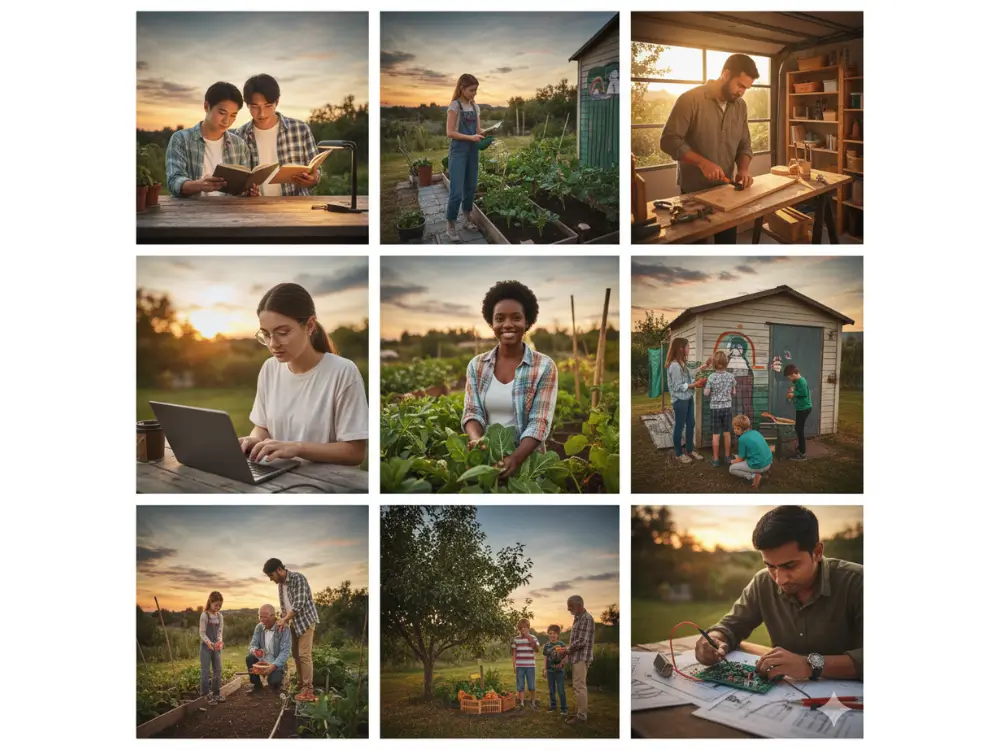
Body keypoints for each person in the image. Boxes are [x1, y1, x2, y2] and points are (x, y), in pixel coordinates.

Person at [694, 506, 863, 682]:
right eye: (770, 566)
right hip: (782, 697)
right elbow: (730, 627)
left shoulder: (858, 582)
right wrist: (713, 640)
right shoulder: (763, 582)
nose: (780, 580)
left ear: (817, 552)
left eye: (790, 566)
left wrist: (810, 664)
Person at [240, 283, 368, 466]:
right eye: (266, 335)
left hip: (325, 486)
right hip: (275, 477)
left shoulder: (343, 372)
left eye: (282, 333)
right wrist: (254, 440)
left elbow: (355, 452)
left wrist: (297, 448)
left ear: (309, 326)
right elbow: (262, 427)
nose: (273, 344)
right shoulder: (270, 368)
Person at [659, 54, 760, 243]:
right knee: (698, 251)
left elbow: (744, 143)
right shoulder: (690, 99)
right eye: (740, 85)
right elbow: (668, 140)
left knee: (727, 246)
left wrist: (744, 169)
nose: (742, 92)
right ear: (726, 75)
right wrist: (702, 163)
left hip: (726, 190)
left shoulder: (741, 106)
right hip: (694, 193)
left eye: (746, 88)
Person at [462, 281, 557, 479]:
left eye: (516, 317)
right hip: (488, 460)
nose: (507, 324)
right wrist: (477, 441)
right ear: (491, 323)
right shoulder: (476, 366)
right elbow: (472, 412)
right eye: (500, 318)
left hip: (529, 464)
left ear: (527, 322)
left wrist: (515, 458)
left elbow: (539, 422)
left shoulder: (544, 367)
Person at [233, 74, 321, 196]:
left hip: (296, 208)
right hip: (255, 210)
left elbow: (316, 172)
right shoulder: (240, 135)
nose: (262, 113)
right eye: (254, 107)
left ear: (277, 101)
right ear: (247, 104)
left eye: (268, 106)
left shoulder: (300, 129)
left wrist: (314, 178)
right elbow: (238, 183)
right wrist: (246, 192)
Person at [165, 81, 253, 197]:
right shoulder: (181, 139)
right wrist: (198, 185)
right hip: (192, 212)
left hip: (230, 212)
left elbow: (241, 190)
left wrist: (248, 192)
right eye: (222, 113)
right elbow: (173, 181)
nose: (227, 121)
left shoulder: (239, 145)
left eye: (233, 115)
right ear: (207, 107)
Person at [264, 558, 319, 702]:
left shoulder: (298, 578)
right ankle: (301, 684)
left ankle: (308, 689)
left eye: (271, 576)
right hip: (293, 623)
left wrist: (285, 619)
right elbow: (284, 608)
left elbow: (298, 604)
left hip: (305, 621)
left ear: (279, 570)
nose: (271, 579)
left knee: (304, 654)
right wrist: (283, 621)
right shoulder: (280, 586)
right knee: (295, 655)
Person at [445, 73, 485, 242]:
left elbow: (477, 130)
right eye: (471, 90)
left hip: (473, 152)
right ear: (461, 88)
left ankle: (467, 220)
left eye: (476, 91)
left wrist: (485, 134)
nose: (474, 94)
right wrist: (470, 138)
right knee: (456, 192)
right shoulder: (455, 106)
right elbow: (450, 132)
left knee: (470, 187)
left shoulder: (475, 107)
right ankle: (450, 227)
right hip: (458, 152)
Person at [665, 337, 707, 464]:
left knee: (691, 424)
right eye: (688, 347)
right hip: (679, 401)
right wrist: (696, 385)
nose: (689, 349)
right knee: (679, 426)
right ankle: (678, 453)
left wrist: (703, 367)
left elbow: (690, 374)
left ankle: (689, 450)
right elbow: (678, 386)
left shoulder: (681, 364)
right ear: (681, 349)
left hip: (688, 398)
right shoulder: (674, 366)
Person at [245, 604, 292, 694]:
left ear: (273, 616)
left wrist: (273, 666)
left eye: (265, 617)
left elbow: (285, 652)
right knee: (249, 658)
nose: (262, 620)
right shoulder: (259, 627)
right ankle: (257, 686)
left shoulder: (284, 628)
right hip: (261, 660)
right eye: (260, 617)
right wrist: (255, 651)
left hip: (275, 662)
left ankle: (278, 682)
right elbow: (251, 646)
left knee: (274, 683)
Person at [703, 350, 737, 467]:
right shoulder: (731, 377)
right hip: (727, 408)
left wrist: (707, 388)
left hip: (715, 409)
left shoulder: (711, 377)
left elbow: (706, 393)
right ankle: (727, 457)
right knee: (727, 433)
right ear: (726, 363)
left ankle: (716, 459)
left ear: (714, 363)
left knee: (716, 434)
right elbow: (733, 392)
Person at [564, 595, 594, 725]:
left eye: (570, 606)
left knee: (579, 686)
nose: (568, 608)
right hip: (577, 657)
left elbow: (582, 641)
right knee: (577, 685)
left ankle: (581, 716)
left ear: (579, 605)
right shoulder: (578, 618)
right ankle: (580, 712)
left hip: (582, 657)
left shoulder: (586, 619)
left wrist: (567, 649)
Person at [730, 414, 772, 488]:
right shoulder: (755, 432)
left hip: (759, 465)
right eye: (734, 428)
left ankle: (753, 476)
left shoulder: (742, 439)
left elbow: (740, 459)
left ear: (743, 429)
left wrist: (732, 461)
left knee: (732, 468)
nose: (735, 431)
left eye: (737, 429)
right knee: (739, 457)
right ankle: (763, 472)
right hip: (768, 463)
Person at [199, 591, 226, 705]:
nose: (218, 607)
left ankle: (216, 693)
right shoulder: (205, 615)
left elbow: (219, 631)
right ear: (210, 602)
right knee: (206, 671)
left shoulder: (220, 616)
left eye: (220, 605)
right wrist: (209, 643)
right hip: (206, 647)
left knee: (218, 669)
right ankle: (206, 694)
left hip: (216, 647)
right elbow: (202, 632)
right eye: (216, 605)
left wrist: (219, 640)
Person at [784, 364, 812, 460]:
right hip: (801, 408)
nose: (790, 379)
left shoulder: (801, 381)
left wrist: (793, 394)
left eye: (790, 377)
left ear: (793, 374)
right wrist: (793, 390)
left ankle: (802, 454)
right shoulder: (797, 381)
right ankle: (800, 448)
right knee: (798, 428)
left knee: (800, 430)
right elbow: (799, 390)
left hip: (804, 408)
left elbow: (804, 393)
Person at [511, 619, 540, 709]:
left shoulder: (533, 637)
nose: (523, 629)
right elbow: (514, 653)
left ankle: (533, 702)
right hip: (520, 666)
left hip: (530, 666)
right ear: (519, 629)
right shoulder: (516, 639)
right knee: (520, 685)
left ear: (528, 628)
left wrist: (528, 637)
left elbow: (537, 649)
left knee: (531, 685)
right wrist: (514, 665)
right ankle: (522, 703)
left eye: (525, 627)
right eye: (521, 628)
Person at [541, 624, 568, 715]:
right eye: (550, 633)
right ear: (548, 634)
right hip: (550, 671)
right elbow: (545, 658)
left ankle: (564, 708)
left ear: (558, 634)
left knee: (560, 690)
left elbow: (566, 656)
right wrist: (545, 669)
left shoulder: (561, 644)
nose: (552, 635)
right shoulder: (546, 646)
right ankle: (553, 706)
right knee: (551, 690)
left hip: (559, 671)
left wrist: (562, 663)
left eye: (554, 633)